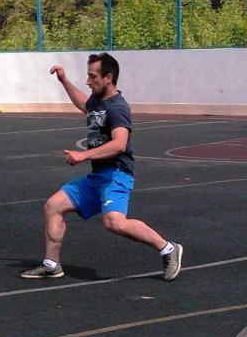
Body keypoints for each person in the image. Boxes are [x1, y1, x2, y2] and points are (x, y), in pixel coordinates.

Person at [21, 53, 182, 281]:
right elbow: (84, 104)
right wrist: (64, 81)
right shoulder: (98, 101)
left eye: (92, 76)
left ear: (108, 77)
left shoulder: (117, 108)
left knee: (114, 223)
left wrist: (83, 155)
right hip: (97, 176)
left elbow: (119, 144)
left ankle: (168, 249)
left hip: (117, 175)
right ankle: (51, 264)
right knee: (53, 206)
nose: (88, 81)